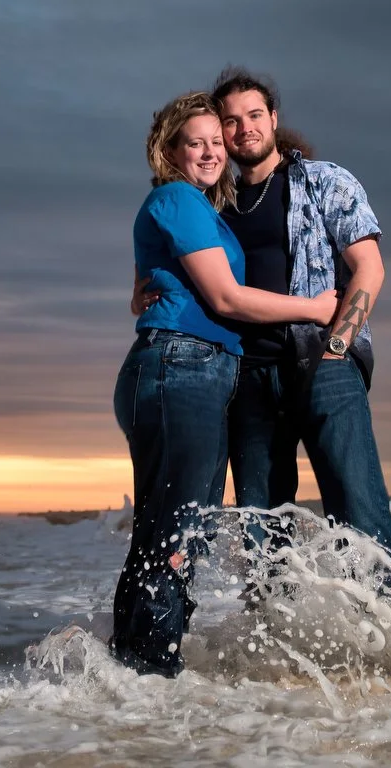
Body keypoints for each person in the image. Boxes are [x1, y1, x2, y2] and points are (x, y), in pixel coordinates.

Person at [132, 68, 391, 569]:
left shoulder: (324, 181)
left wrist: (338, 345)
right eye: (231, 122)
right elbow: (179, 255)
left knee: (360, 515)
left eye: (255, 115)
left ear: (274, 119)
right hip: (248, 379)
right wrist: (143, 287)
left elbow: (369, 267)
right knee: (261, 533)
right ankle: (279, 644)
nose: (244, 129)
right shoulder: (217, 203)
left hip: (322, 362)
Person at [111, 91, 338, 677]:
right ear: (171, 150)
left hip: (187, 369)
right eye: (197, 142)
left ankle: (132, 670)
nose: (212, 152)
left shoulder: (193, 209)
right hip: (181, 368)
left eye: (218, 141)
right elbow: (225, 297)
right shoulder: (179, 198)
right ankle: (152, 673)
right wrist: (312, 309)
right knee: (180, 528)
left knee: (168, 528)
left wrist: (139, 293)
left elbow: (151, 281)